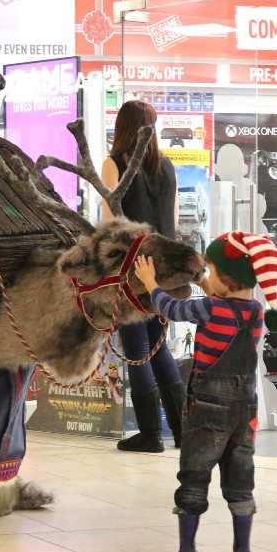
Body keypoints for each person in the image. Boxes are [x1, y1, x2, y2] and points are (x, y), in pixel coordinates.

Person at [134, 230, 277, 552]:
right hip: (246, 409)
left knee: (195, 476)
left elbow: (171, 308)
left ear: (225, 280)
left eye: (211, 271)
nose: (206, 277)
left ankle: (187, 550)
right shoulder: (257, 311)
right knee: (241, 482)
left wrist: (151, 282)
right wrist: (206, 282)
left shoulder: (210, 308)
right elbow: (226, 297)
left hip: (206, 408)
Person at [101, 99, 185, 453]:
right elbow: (175, 220)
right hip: (166, 272)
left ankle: (150, 435)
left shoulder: (113, 163)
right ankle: (182, 432)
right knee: (158, 347)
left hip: (131, 270)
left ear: (122, 127)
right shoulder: (166, 166)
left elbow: (109, 222)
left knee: (135, 349)